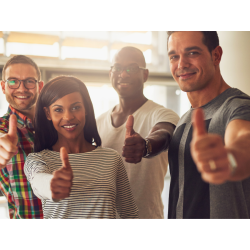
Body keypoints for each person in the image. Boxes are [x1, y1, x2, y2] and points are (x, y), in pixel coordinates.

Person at [24, 76, 139, 219]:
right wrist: (53, 185)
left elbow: (129, 215)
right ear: (48, 113)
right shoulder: (38, 159)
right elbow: (38, 181)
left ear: (86, 109)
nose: (68, 117)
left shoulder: (111, 158)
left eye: (76, 107)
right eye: (58, 110)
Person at [167, 31, 250, 219]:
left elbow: (243, 141)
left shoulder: (239, 106)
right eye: (174, 56)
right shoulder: (185, 118)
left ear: (216, 55)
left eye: (192, 53)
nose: (181, 64)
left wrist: (230, 159)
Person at [96, 46, 179, 219]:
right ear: (110, 73)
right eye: (117, 68)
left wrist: (146, 146)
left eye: (132, 68)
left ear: (145, 75)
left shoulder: (162, 114)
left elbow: (164, 133)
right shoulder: (97, 123)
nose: (123, 74)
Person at [0, 55, 44, 219]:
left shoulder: (57, 125)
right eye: (13, 81)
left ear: (40, 86)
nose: (22, 88)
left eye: (29, 81)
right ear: (3, 87)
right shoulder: (2, 128)